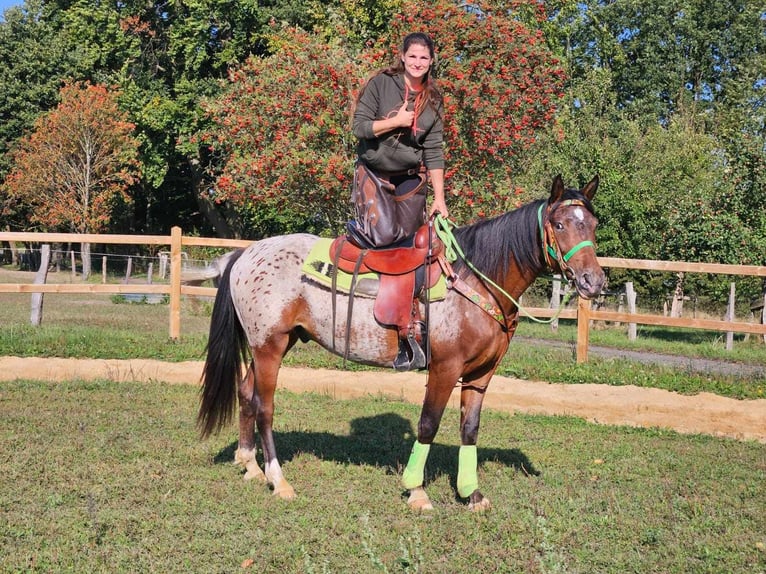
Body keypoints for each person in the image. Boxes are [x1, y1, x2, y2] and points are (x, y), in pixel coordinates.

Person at [349, 32, 448, 248]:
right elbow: (359, 128)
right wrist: (396, 121)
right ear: (402, 56)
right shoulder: (380, 84)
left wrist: (439, 198)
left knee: (412, 243)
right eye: (412, 56)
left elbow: (433, 150)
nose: (417, 63)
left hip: (409, 177)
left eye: (423, 58)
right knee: (383, 238)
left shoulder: (434, 100)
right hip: (375, 173)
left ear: (431, 60)